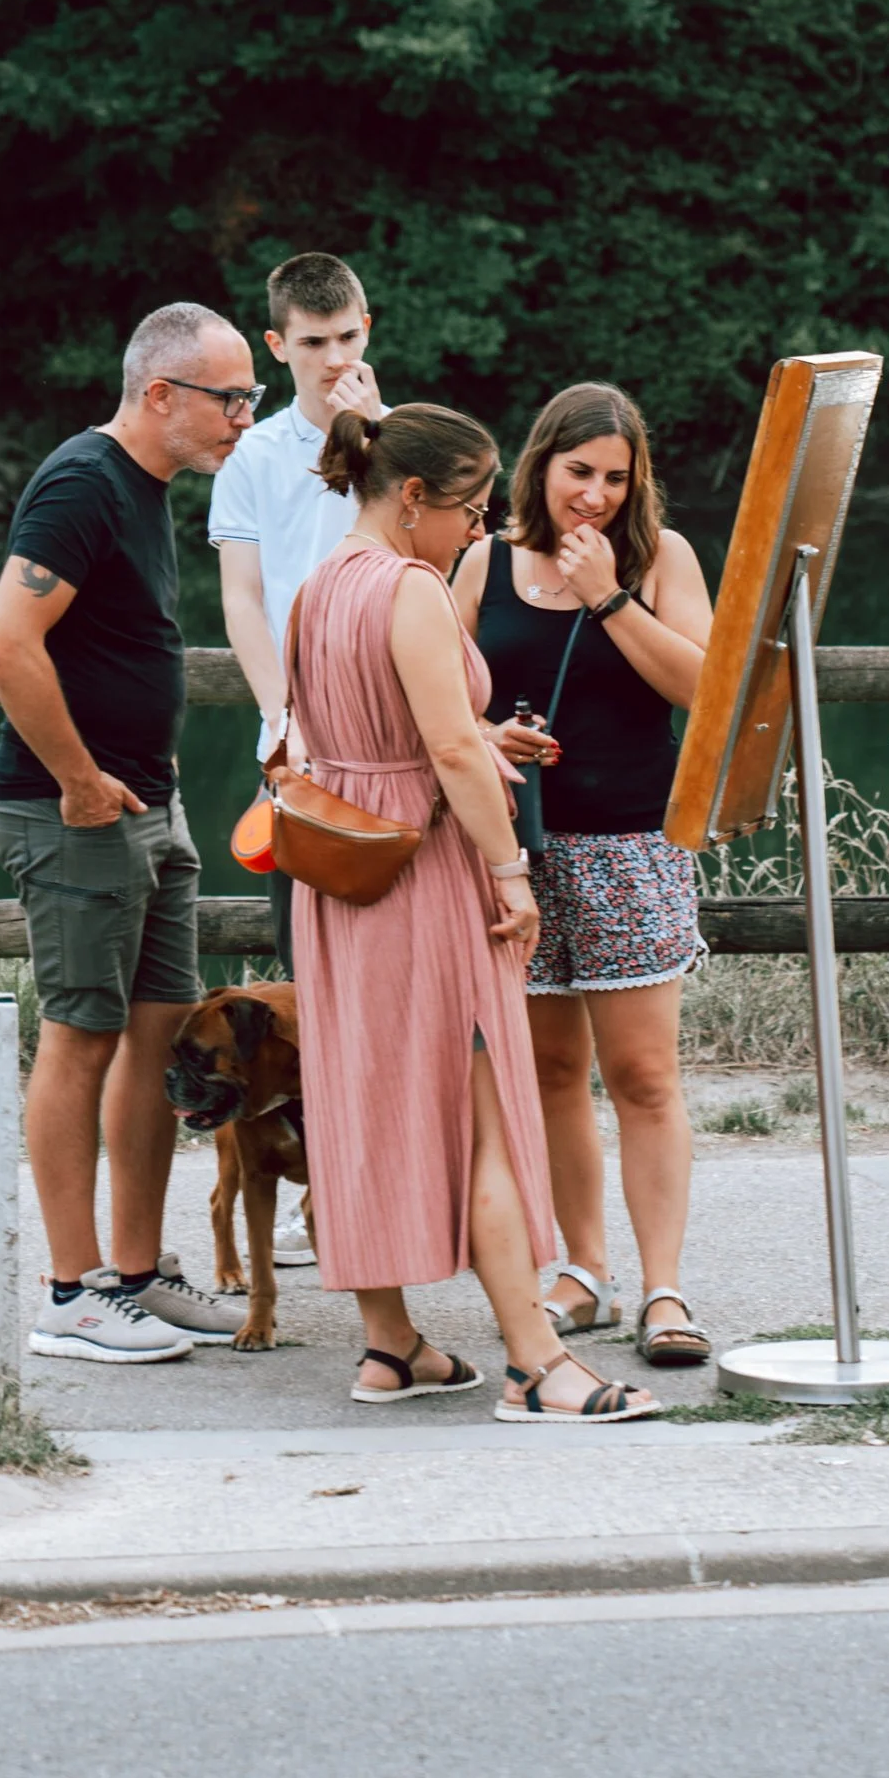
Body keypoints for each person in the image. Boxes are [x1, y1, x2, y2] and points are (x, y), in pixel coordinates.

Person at [287, 398, 661, 1423]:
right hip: (424, 873)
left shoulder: (319, 587)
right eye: (465, 506)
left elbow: (359, 730)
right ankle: (537, 1368)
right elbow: (448, 752)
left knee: (364, 1102)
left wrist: (467, 741)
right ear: (411, 498)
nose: (479, 527)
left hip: (339, 879)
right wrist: (508, 875)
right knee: (489, 1113)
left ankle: (391, 1346)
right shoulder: (408, 588)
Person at [0, 302, 267, 1365]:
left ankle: (138, 1276)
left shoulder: (147, 491)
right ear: (159, 394)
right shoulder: (81, 484)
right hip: (72, 812)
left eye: (251, 396)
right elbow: (7, 644)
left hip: (152, 803)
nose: (244, 416)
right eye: (229, 397)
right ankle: (69, 1293)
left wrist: (145, 774)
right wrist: (79, 780)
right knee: (82, 1033)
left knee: (160, 1041)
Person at [454, 381, 716, 1368]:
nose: (595, 495)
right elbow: (430, 690)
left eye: (615, 477)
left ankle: (664, 1288)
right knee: (552, 1071)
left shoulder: (661, 557)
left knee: (645, 1075)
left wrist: (609, 594)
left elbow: (704, 687)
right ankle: (583, 1269)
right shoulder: (482, 559)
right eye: (578, 474)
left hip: (632, 847)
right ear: (540, 466)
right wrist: (487, 734)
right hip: (515, 854)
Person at [210, 248, 382, 1264]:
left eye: (348, 339)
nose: (332, 359)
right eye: (312, 344)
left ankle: (380, 1193)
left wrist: (375, 430)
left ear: (367, 333)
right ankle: (324, 1194)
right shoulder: (253, 458)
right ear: (277, 347)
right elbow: (241, 598)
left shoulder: (402, 440)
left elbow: (430, 558)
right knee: (308, 981)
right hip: (295, 759)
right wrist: (281, 715)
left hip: (391, 750)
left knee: (392, 984)